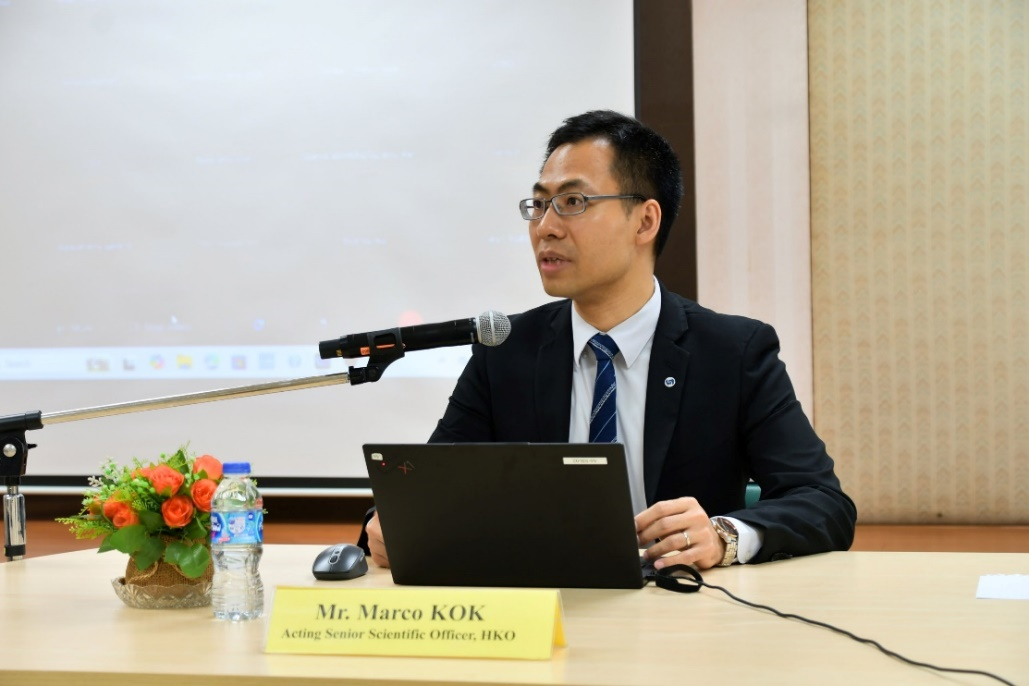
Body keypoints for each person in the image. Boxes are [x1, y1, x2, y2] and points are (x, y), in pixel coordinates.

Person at [362, 109, 856, 570]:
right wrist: (384, 526)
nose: (545, 228)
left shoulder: (732, 352)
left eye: (573, 202)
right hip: (543, 610)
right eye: (539, 205)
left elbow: (823, 503)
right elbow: (426, 489)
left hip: (682, 619)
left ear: (645, 221)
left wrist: (724, 535)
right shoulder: (508, 350)